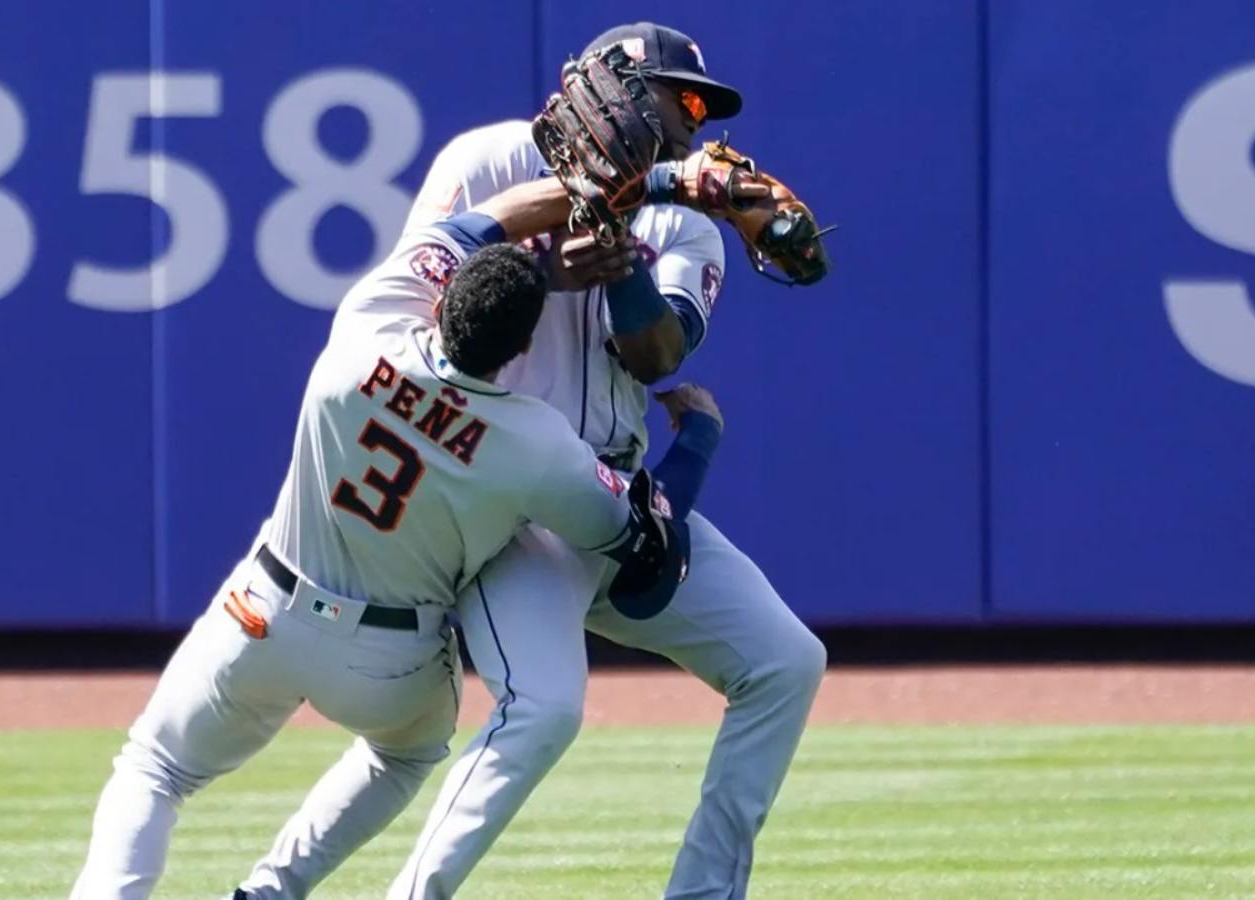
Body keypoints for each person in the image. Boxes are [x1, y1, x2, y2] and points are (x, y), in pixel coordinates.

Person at [285, 21, 825, 899]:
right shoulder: (489, 159)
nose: (696, 121)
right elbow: (428, 310)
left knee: (786, 663)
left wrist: (619, 268)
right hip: (507, 504)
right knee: (537, 710)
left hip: (611, 492)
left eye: (707, 108)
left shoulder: (692, 228)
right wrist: (541, 273)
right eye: (679, 97)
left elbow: (658, 354)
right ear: (610, 86)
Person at [69, 174, 714, 899]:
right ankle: (270, 892)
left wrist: (602, 188)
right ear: (525, 345)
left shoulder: (370, 321)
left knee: (155, 768)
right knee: (402, 758)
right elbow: (641, 537)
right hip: (390, 657)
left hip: (265, 607)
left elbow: (477, 225)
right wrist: (698, 440)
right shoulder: (534, 439)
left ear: (440, 299)